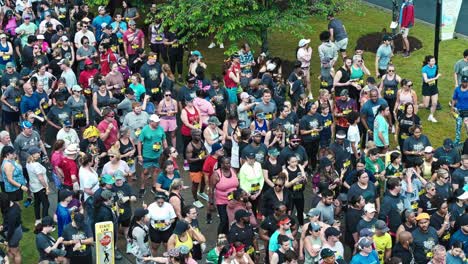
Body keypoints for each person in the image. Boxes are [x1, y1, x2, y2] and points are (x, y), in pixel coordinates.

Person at [137, 114, 167, 196]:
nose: (158, 123)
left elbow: (164, 140)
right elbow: (139, 142)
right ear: (151, 122)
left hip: (158, 155)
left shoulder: (160, 129)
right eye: (156, 122)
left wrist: (166, 151)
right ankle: (142, 187)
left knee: (156, 170)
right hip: (147, 155)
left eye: (158, 122)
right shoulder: (145, 130)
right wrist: (139, 155)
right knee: (145, 172)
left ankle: (154, 186)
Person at [210, 156, 239, 235]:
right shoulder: (216, 174)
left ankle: (230, 235)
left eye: (229, 163)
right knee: (224, 221)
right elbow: (211, 189)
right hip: (222, 202)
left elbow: (237, 185)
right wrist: (211, 203)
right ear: (222, 164)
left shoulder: (233, 170)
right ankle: (219, 238)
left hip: (234, 201)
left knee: (233, 220)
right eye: (227, 163)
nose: (229, 165)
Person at [26, 146, 49, 226]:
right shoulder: (36, 165)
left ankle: (38, 220)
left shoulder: (28, 163)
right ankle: (45, 223)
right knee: (46, 204)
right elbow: (41, 178)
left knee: (37, 203)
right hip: (40, 187)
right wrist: (46, 187)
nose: (40, 153)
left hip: (34, 187)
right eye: (38, 152)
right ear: (33, 154)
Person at [0, 192, 23, 264]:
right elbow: (6, 218)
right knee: (11, 250)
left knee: (15, 253)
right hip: (13, 230)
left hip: (14, 233)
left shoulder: (12, 214)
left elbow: (11, 229)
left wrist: (6, 240)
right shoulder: (10, 205)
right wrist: (3, 225)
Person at [421, 55, 442, 123]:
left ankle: (431, 116)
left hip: (433, 86)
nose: (434, 62)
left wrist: (435, 78)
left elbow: (433, 74)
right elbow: (426, 80)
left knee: (435, 103)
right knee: (425, 105)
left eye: (434, 60)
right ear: (428, 62)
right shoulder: (424, 69)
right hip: (426, 87)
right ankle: (415, 106)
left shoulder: (435, 66)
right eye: (432, 61)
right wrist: (436, 78)